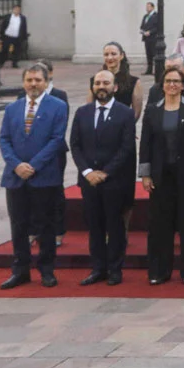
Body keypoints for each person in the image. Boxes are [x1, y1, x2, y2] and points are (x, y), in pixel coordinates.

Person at [0, 65, 67, 289]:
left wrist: (33, 165)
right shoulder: (13, 108)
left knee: (45, 225)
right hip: (15, 177)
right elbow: (4, 139)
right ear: (23, 82)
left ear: (46, 82)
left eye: (37, 80)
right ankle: (20, 270)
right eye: (29, 80)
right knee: (18, 225)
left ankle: (46, 270)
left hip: (44, 176)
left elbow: (56, 140)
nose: (33, 84)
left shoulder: (58, 106)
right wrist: (16, 165)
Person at [139, 67, 184, 285]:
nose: (172, 85)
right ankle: (159, 271)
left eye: (176, 81)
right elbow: (145, 143)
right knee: (159, 225)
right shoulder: (152, 110)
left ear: (183, 85)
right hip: (161, 176)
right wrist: (145, 174)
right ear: (162, 85)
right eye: (168, 81)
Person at [69, 70, 136, 286]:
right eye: (97, 83)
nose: (101, 86)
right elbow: (75, 145)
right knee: (94, 226)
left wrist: (106, 172)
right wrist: (87, 172)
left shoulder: (125, 113)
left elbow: (126, 147)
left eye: (106, 83)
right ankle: (98, 268)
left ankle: (115, 269)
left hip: (114, 181)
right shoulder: (82, 112)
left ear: (114, 87)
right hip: (89, 181)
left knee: (115, 226)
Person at [36, 58, 69, 248]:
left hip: (55, 151)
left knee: (55, 190)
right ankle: (35, 229)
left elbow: (60, 127)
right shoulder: (23, 96)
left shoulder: (60, 96)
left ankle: (57, 230)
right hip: (30, 153)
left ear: (50, 74)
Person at [95, 42, 143, 120]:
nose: (109, 58)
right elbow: (90, 109)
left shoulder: (134, 82)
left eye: (113, 54)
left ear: (121, 56)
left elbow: (136, 113)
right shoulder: (95, 80)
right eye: (106, 54)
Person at [0, 4, 29, 68]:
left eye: (18, 10)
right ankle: (1, 62)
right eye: (15, 9)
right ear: (13, 10)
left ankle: (14, 63)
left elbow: (24, 28)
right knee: (4, 50)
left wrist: (24, 37)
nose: (17, 11)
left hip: (17, 37)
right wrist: (1, 35)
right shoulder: (8, 17)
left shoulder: (22, 18)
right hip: (7, 36)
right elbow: (3, 26)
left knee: (16, 51)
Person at [139, 1, 161, 73]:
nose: (147, 8)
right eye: (146, 7)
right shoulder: (145, 16)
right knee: (148, 55)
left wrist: (150, 32)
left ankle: (157, 70)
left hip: (153, 38)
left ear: (152, 7)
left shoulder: (156, 16)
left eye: (148, 7)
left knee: (154, 54)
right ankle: (149, 70)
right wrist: (142, 31)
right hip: (146, 38)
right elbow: (142, 26)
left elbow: (157, 27)